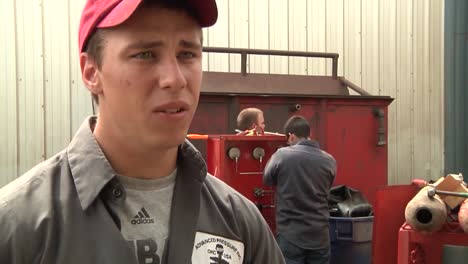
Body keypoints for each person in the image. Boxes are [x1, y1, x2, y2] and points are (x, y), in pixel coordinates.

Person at [0, 1, 285, 263]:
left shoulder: (239, 224)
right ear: (91, 72)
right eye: (145, 54)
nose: (174, 79)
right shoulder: (19, 226)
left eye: (187, 54)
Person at [263, 115, 336, 264]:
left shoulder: (282, 155)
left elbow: (267, 179)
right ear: (309, 135)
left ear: (291, 136)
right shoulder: (329, 160)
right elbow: (327, 188)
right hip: (320, 235)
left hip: (291, 235)